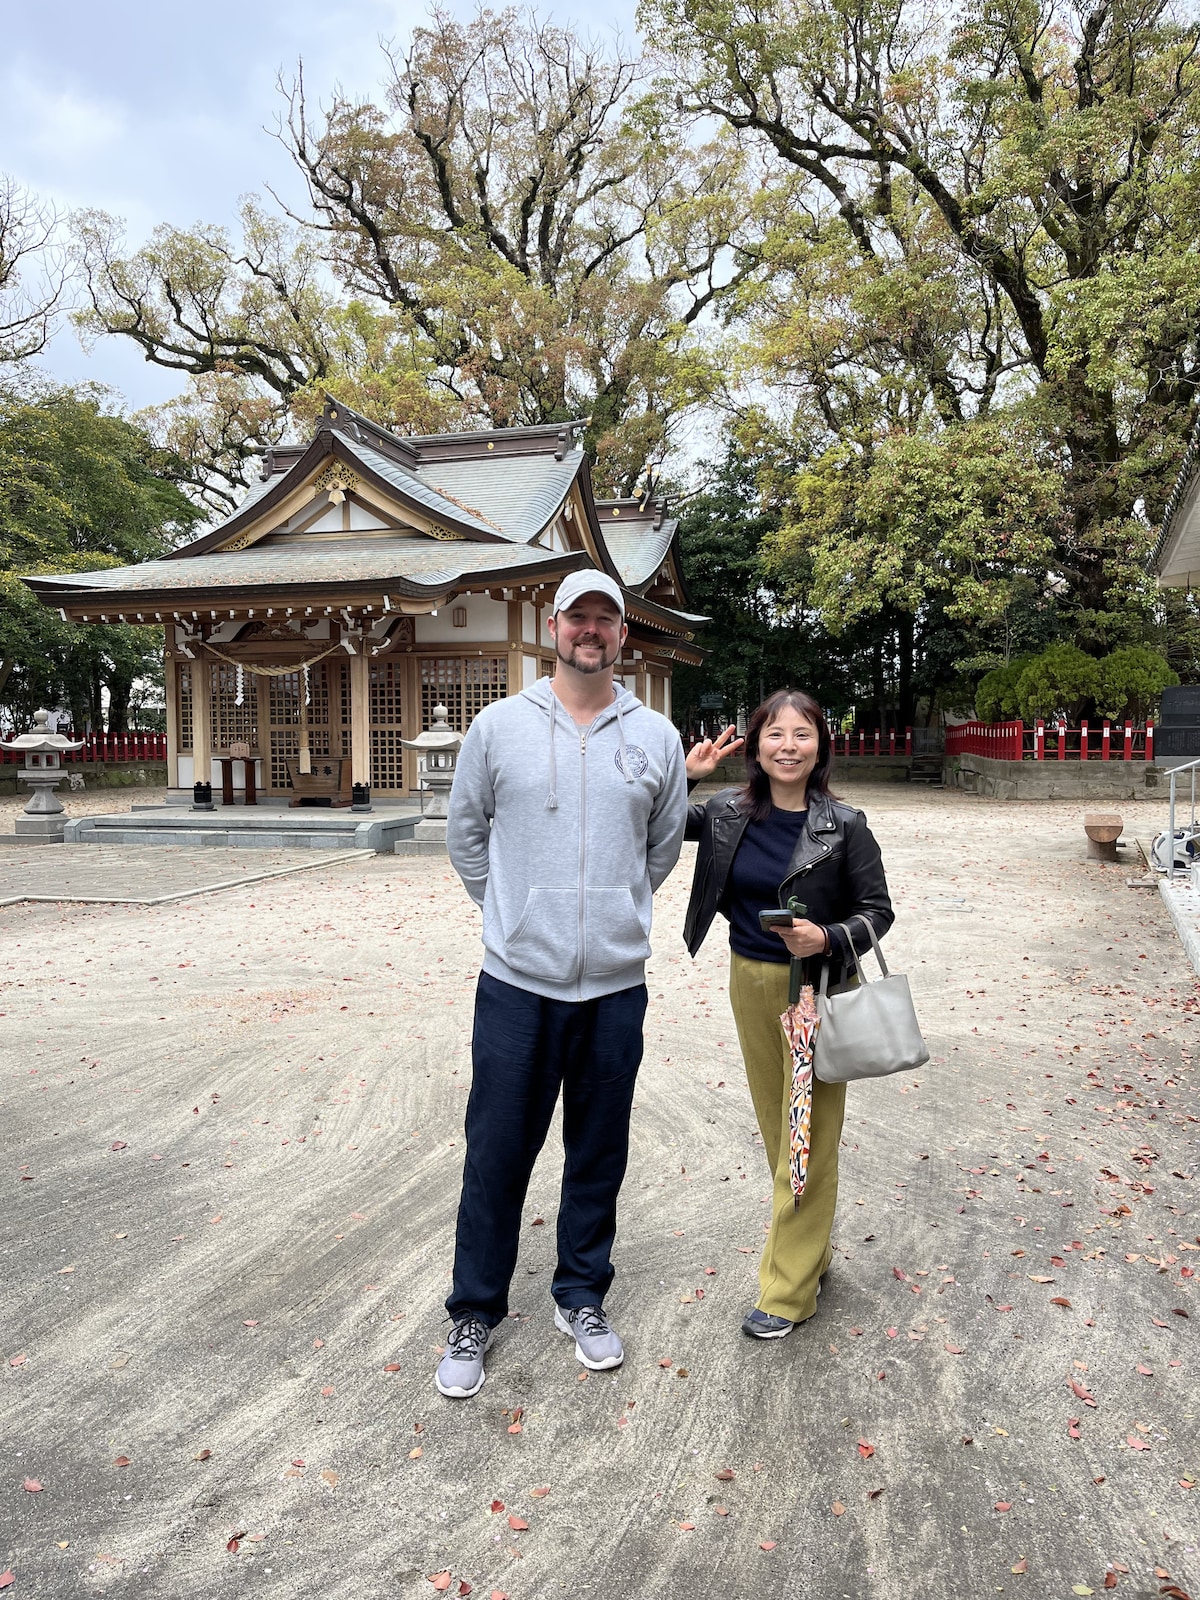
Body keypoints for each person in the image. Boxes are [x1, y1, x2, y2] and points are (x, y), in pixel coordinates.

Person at [439, 570, 688, 1397]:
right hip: (517, 983)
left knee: (598, 1152)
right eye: (578, 616)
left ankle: (580, 1295)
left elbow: (661, 849)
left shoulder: (653, 737)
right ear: (554, 626)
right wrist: (511, 913)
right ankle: (475, 1309)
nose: (591, 630)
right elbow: (466, 832)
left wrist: (612, 913)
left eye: (605, 619)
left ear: (624, 634)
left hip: (614, 986)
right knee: (498, 1152)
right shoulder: (499, 727)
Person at [682, 690, 893, 1337]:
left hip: (816, 990)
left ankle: (788, 1290)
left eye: (803, 734)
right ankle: (813, 1247)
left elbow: (878, 910)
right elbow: (640, 823)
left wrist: (825, 938)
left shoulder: (845, 825)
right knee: (780, 1130)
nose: (789, 746)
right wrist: (681, 777)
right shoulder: (723, 812)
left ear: (821, 745)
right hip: (749, 982)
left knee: (805, 1133)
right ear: (755, 743)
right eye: (776, 734)